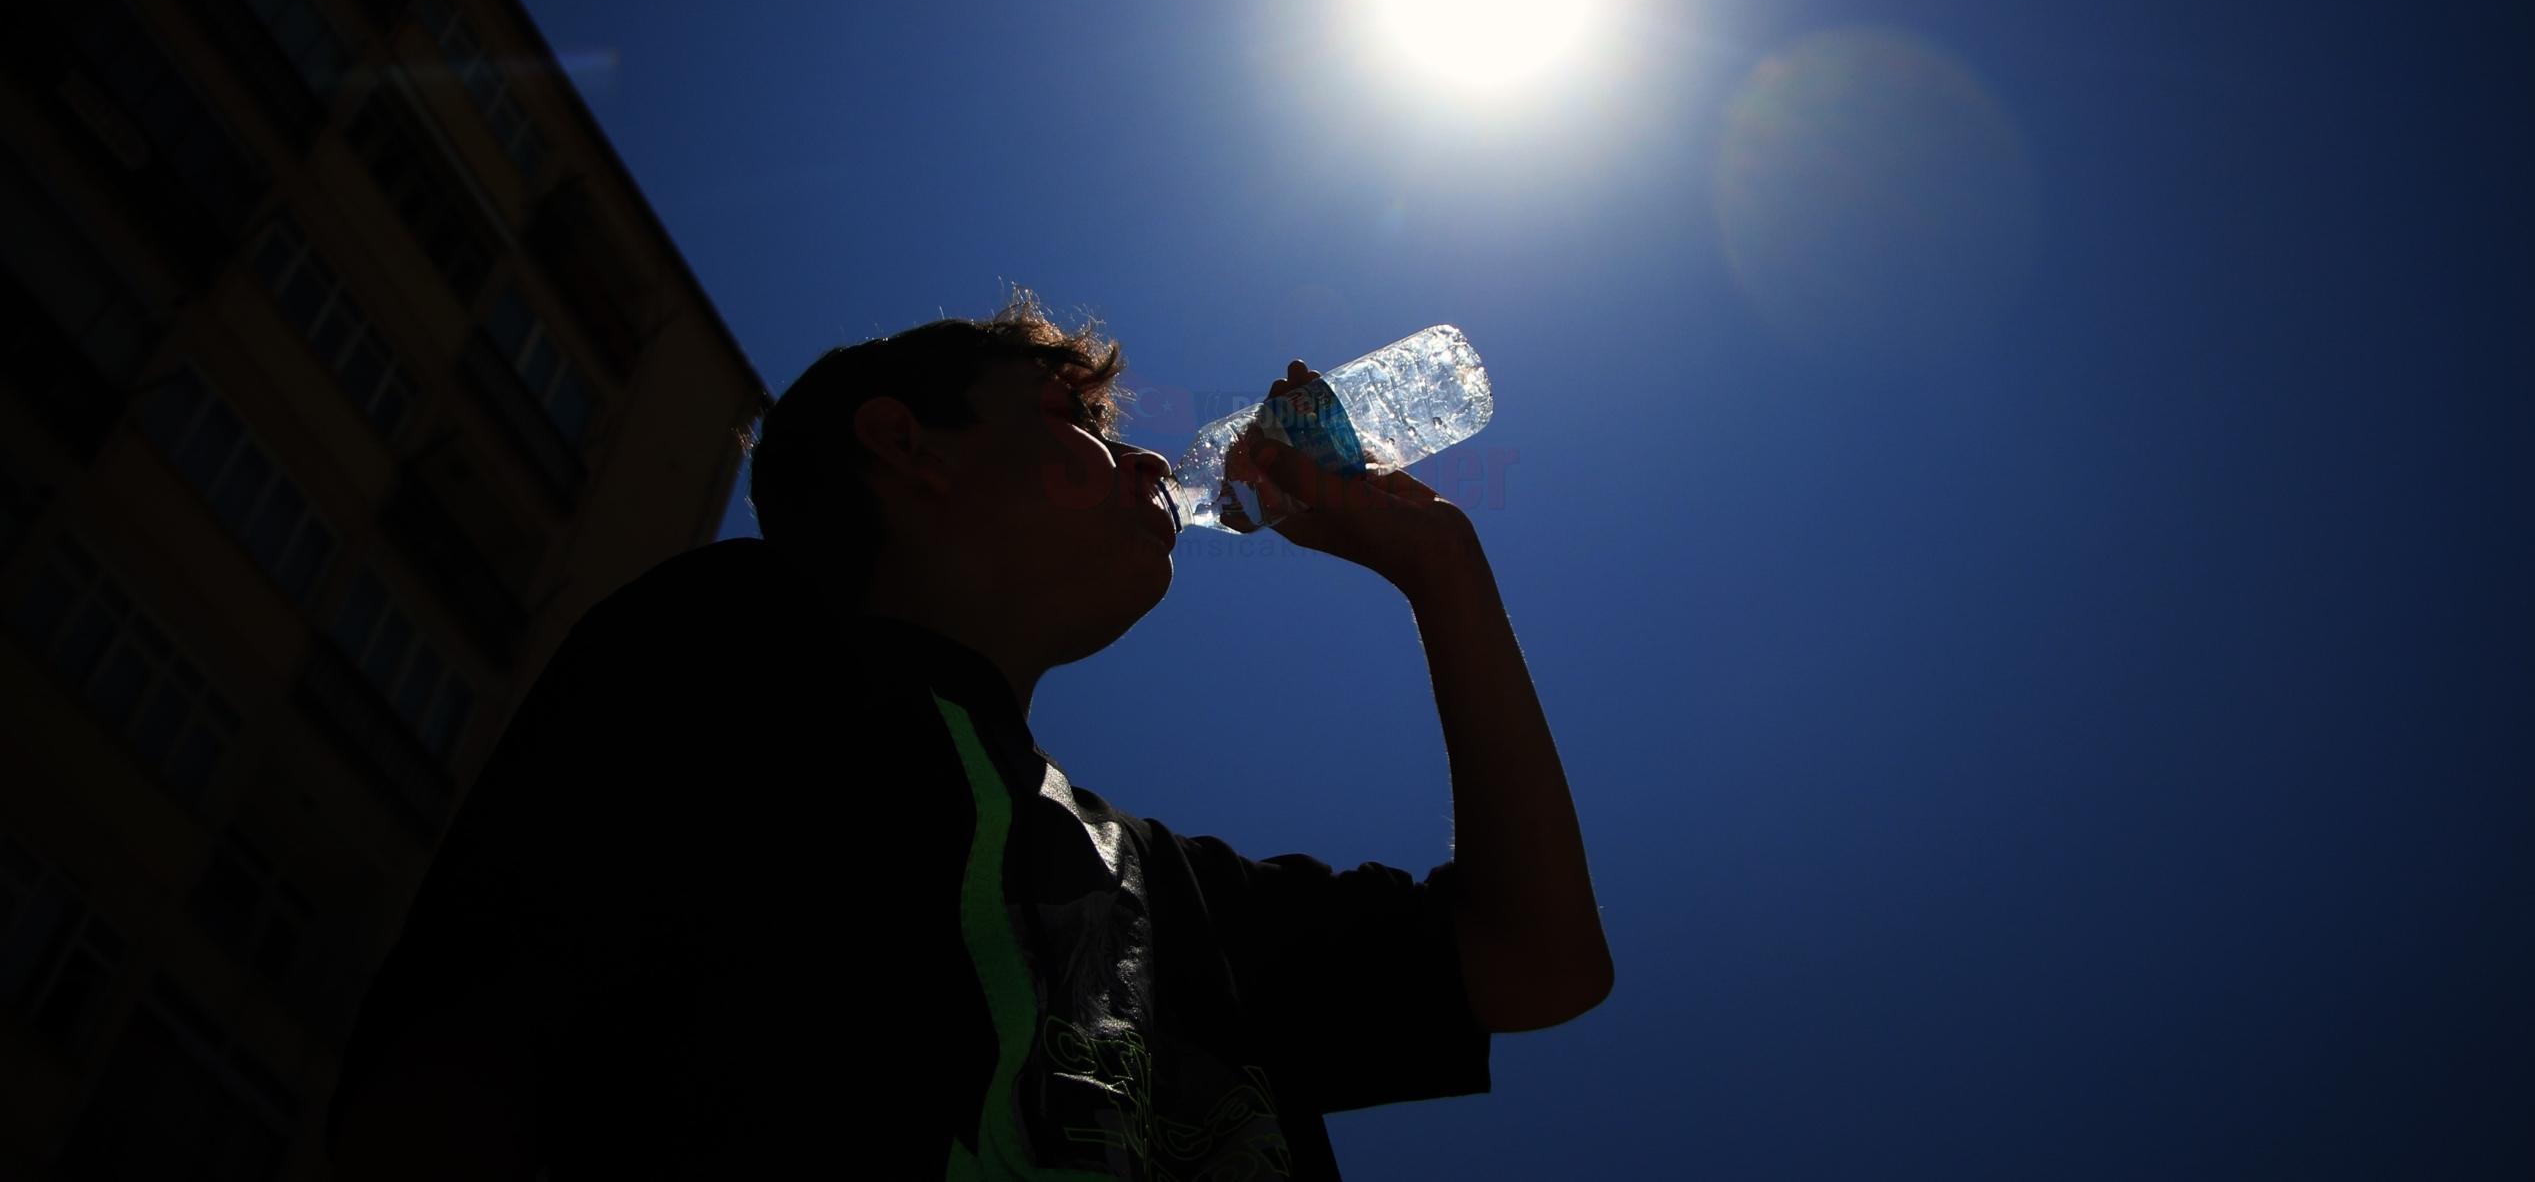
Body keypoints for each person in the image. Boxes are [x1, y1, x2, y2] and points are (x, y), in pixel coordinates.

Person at [325, 288, 1610, 1179]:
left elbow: (1537, 963)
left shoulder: (1165, 896)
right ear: (906, 448)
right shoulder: (744, 649)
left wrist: (1442, 569)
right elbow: (455, 1079)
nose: (1156, 467)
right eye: (1080, 427)